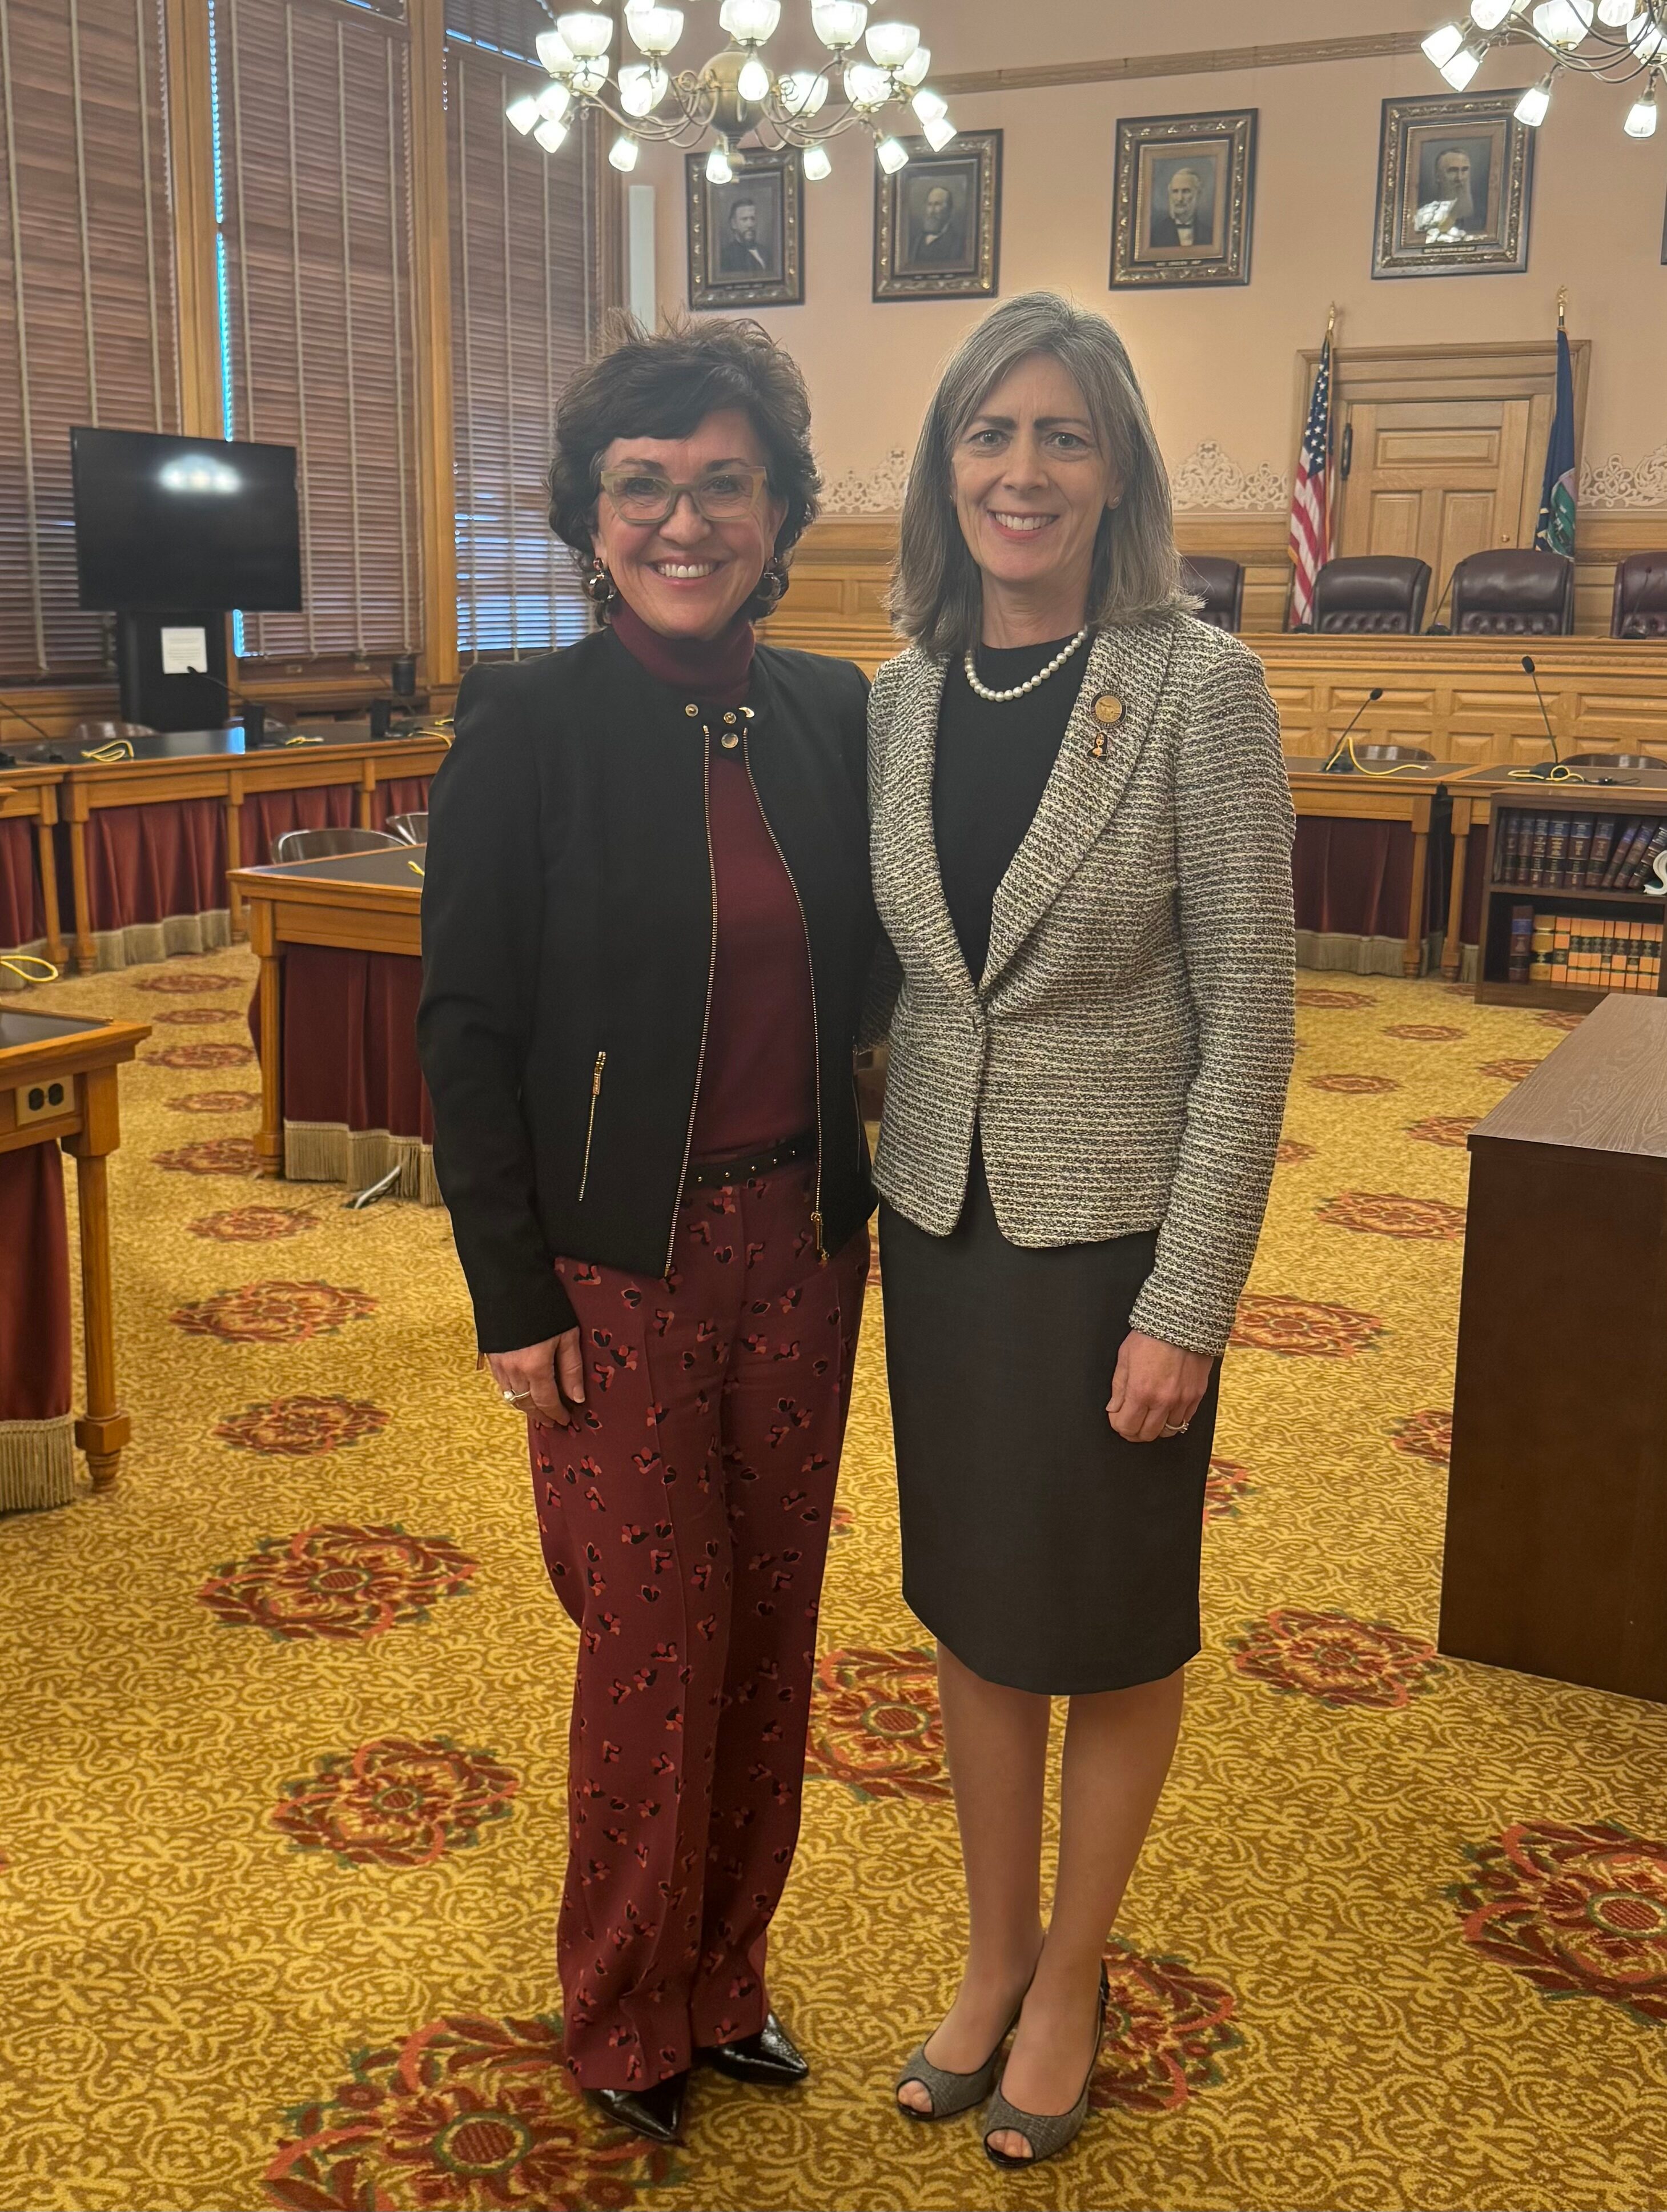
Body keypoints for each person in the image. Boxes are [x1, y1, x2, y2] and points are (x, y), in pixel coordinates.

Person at [417, 316, 877, 2150]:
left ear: (777, 507)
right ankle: (620, 2004)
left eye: (720, 483)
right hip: (615, 1262)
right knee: (651, 1638)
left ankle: (726, 1978)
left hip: (802, 1245)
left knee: (775, 1623)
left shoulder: (836, 713)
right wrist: (510, 1295)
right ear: (587, 514)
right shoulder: (526, 724)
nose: (684, 519)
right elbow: (461, 1029)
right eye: (644, 486)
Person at [869, 291, 1295, 2169]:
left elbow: (1250, 1024)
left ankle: (1071, 1974)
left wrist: (1185, 1301)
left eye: (1056, 435)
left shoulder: (1194, 684)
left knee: (1107, 1629)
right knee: (971, 1612)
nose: (1016, 470)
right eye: (986, 432)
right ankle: (986, 1955)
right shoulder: (894, 693)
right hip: (937, 1231)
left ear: (1111, 467)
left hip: (1113, 1249)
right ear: (942, 464)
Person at [1414, 146, 1481, 239]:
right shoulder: (1423, 215)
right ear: (1438, 176)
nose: (1460, 178)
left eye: (1465, 170)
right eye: (1453, 171)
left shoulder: (1483, 212)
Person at [1148, 165, 1212, 249]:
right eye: (1175, 192)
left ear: (1198, 194)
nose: (1180, 199)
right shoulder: (1155, 234)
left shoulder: (1210, 234)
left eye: (1186, 191)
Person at [909, 181, 966, 264]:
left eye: (937, 205)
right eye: (930, 205)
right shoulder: (915, 241)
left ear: (949, 210)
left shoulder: (958, 244)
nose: (931, 211)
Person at [719, 196, 772, 276]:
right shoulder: (726, 257)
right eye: (744, 219)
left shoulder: (766, 252)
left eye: (753, 219)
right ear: (734, 224)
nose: (750, 225)